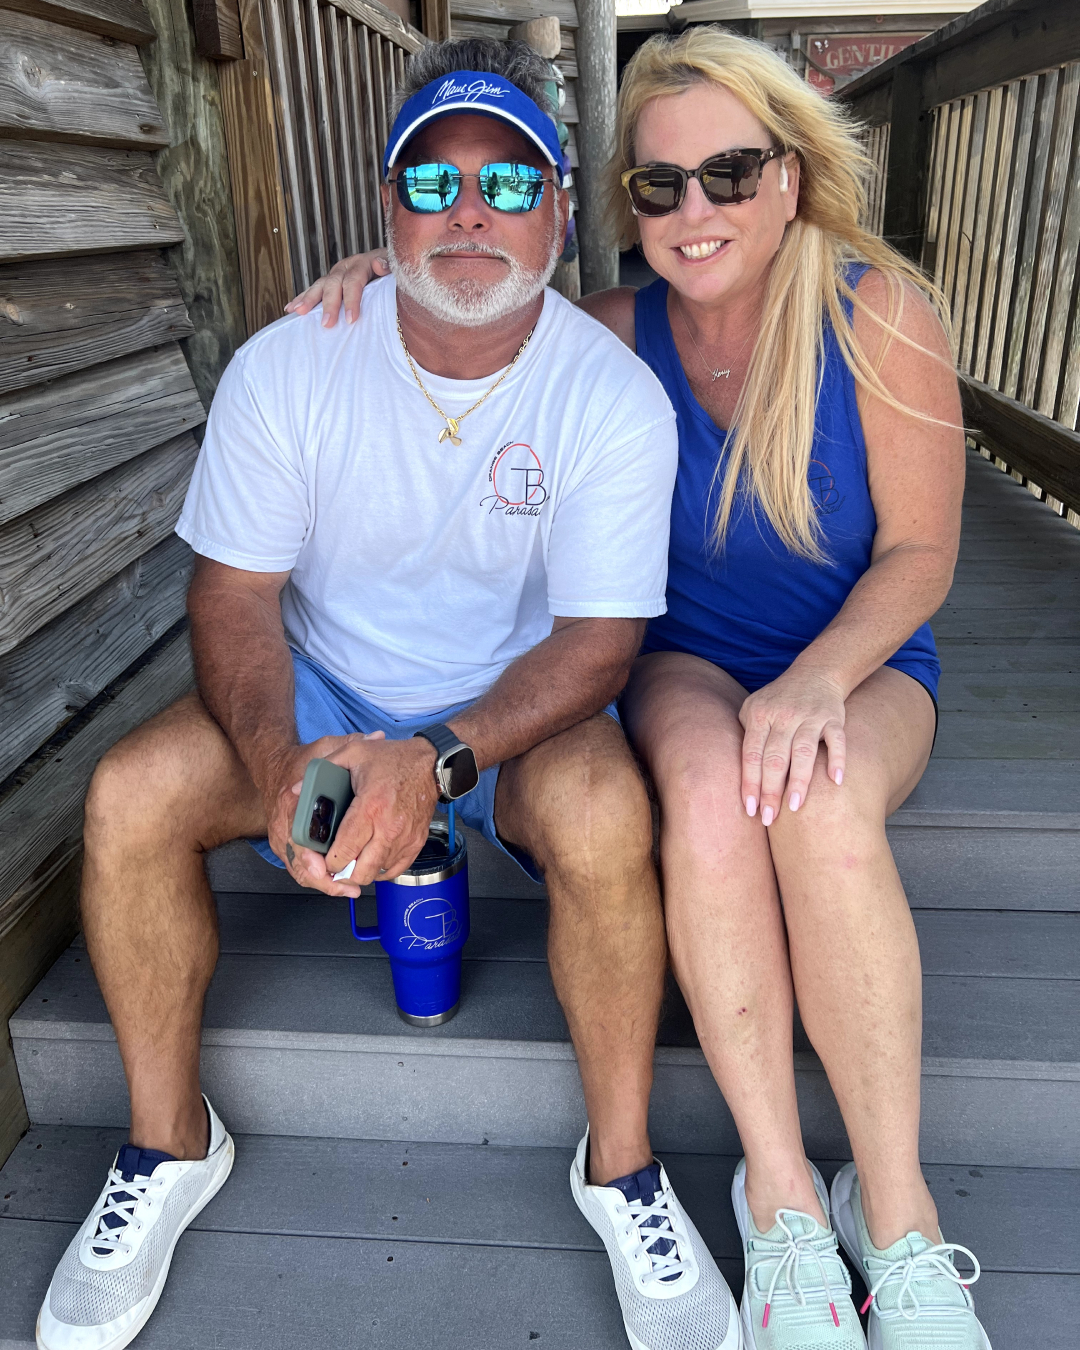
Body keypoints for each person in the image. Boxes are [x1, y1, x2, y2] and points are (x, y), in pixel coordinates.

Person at [288, 26, 994, 1350]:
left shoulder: (876, 310)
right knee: (714, 798)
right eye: (659, 187)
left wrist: (819, 682)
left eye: (730, 172)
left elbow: (923, 552)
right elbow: (463, 309)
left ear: (791, 173)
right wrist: (368, 285)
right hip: (683, 662)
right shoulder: (610, 331)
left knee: (824, 805)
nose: (697, 210)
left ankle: (894, 1219)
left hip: (860, 660)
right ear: (630, 209)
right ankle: (781, 1199)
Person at [35, 38, 745, 1350]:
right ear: (384, 207)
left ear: (553, 212)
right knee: (130, 794)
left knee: (602, 815)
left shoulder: (608, 394)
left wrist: (434, 760)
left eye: (507, 182)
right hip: (315, 688)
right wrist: (276, 768)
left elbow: (597, 646)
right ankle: (166, 1144)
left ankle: (627, 1168)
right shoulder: (288, 364)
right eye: (431, 183)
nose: (467, 212)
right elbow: (234, 599)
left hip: (514, 714)